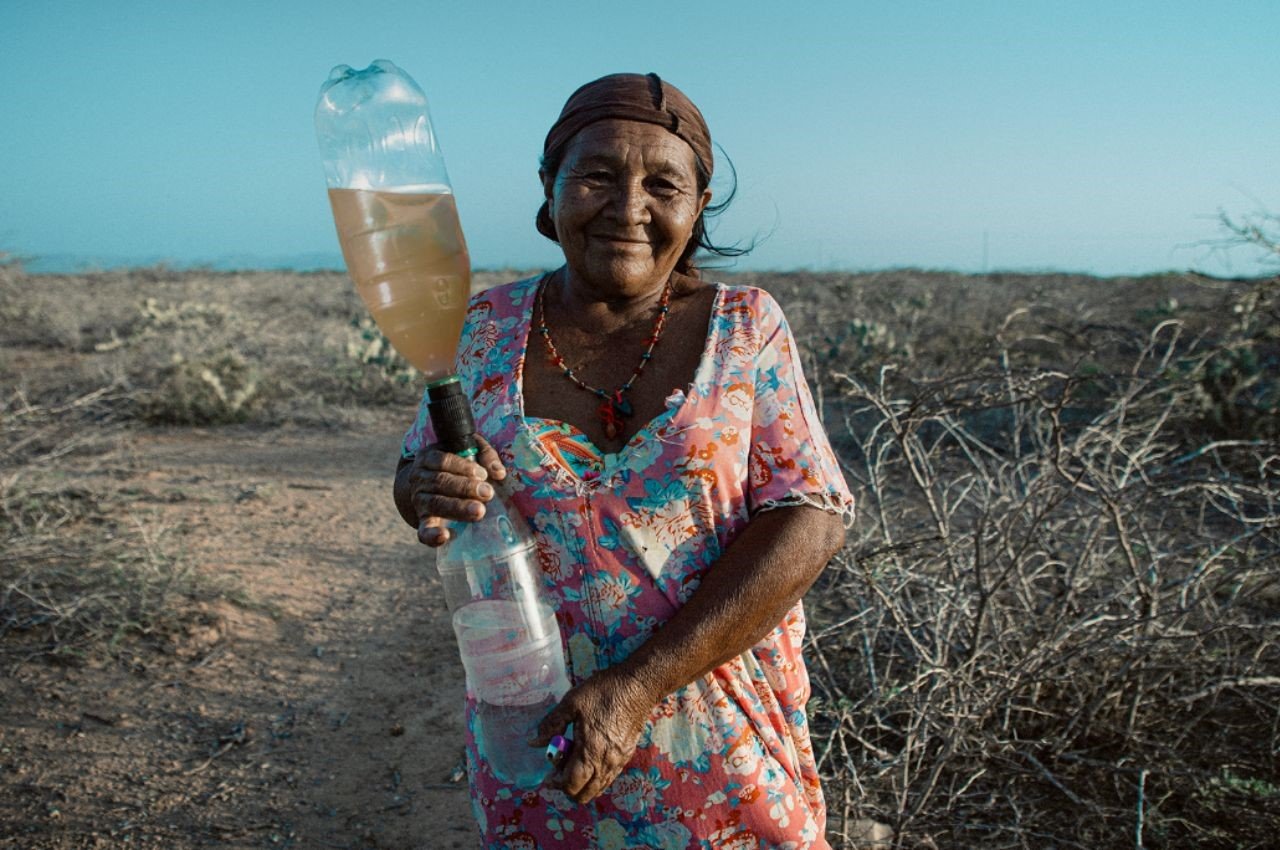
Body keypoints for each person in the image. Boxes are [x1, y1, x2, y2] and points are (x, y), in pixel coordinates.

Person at [393, 72, 853, 849]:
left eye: (662, 184)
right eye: (598, 175)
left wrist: (639, 687)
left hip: (724, 762)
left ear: (697, 206)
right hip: (538, 750)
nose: (628, 207)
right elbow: (421, 475)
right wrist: (422, 488)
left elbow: (810, 518)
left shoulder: (746, 330)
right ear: (550, 187)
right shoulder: (480, 330)